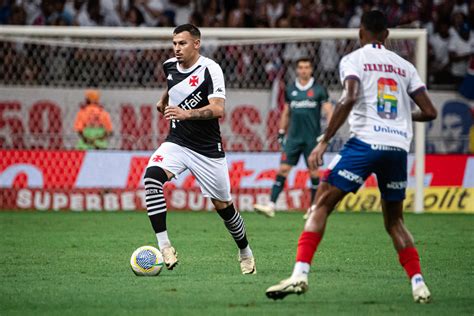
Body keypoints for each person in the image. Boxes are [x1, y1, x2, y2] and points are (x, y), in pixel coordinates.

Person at [265, 10, 437, 303]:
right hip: (397, 148)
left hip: (366, 143)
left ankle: (300, 274)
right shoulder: (405, 66)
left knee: (321, 204)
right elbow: (430, 111)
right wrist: (404, 117)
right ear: (387, 35)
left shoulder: (354, 60)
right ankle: (418, 283)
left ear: (360, 33)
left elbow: (350, 95)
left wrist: (325, 140)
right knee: (394, 222)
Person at [143, 24, 256, 275]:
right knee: (151, 179)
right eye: (174, 43)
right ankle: (164, 247)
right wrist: (163, 101)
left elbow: (218, 109)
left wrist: (186, 113)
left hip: (207, 150)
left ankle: (245, 251)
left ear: (196, 44)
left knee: (224, 207)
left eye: (182, 43)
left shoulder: (211, 69)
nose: (177, 48)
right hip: (177, 142)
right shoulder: (169, 65)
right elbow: (172, 84)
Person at [253, 57, 333, 218]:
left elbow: (329, 110)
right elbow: (286, 112)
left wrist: (328, 132)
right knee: (283, 169)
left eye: (306, 67)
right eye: (301, 67)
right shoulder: (291, 89)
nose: (303, 70)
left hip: (312, 139)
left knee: (314, 173)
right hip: (294, 139)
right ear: (297, 70)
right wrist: (282, 131)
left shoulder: (319, 90)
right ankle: (271, 205)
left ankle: (313, 208)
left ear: (311, 70)